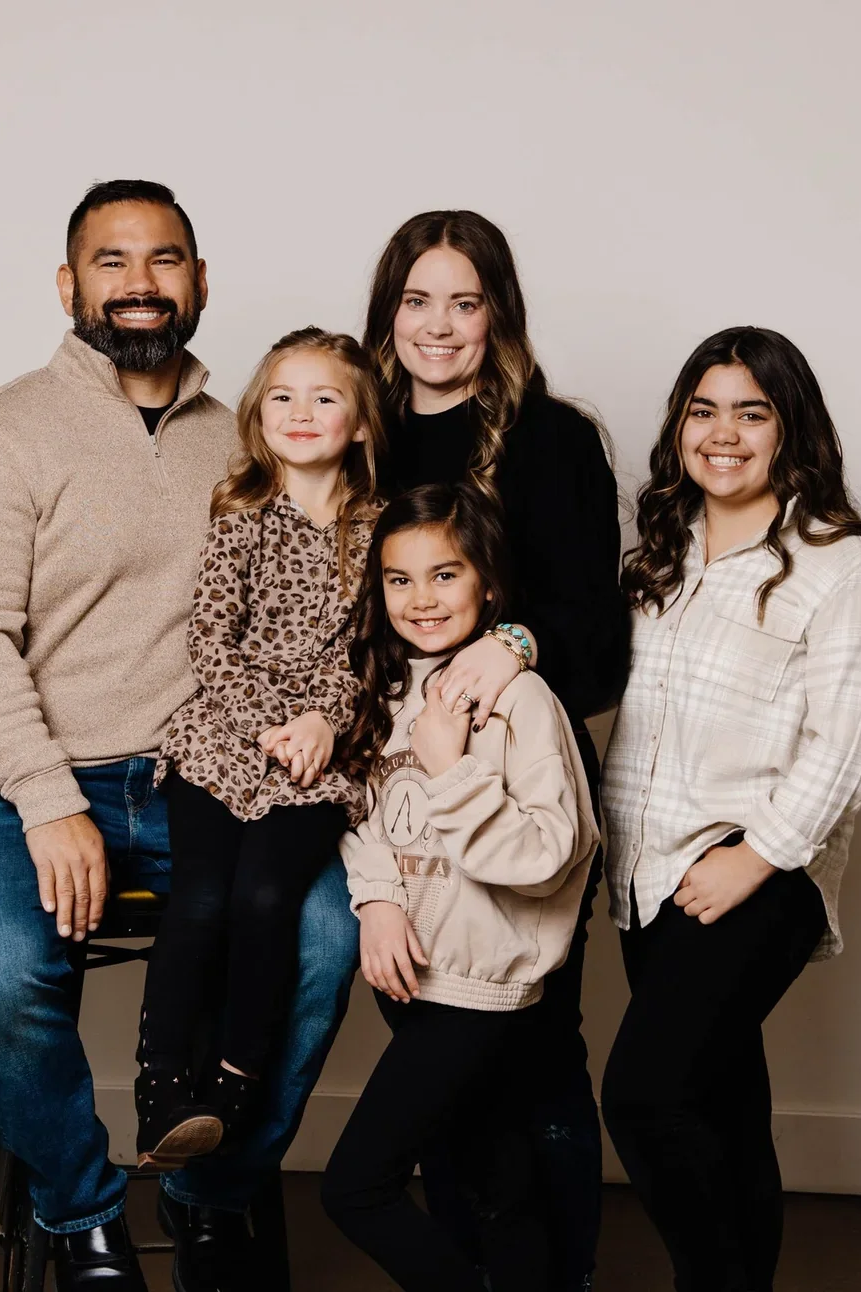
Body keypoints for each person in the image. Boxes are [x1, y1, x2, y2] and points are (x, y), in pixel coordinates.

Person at [0, 181, 361, 1292]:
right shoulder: (2, 431)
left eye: (164, 260)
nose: (140, 283)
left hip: (216, 777)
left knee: (320, 939)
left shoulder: (262, 440)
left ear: (200, 282)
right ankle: (81, 1210)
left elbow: (388, 575)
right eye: (112, 262)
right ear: (70, 286)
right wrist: (45, 795)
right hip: (36, 777)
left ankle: (208, 1191)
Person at [599, 326, 861, 1292]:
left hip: (754, 869)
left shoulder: (837, 564)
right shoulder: (658, 549)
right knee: (722, 1106)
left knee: (646, 1098)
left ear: (790, 430)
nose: (722, 433)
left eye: (751, 411)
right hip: (647, 872)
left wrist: (757, 857)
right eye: (703, 410)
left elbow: (846, 744)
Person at [363, 209, 628, 1287]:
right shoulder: (354, 433)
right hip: (396, 813)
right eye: (416, 300)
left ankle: (553, 1274)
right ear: (387, 314)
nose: (439, 325)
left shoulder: (554, 438)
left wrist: (511, 645)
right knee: (440, 1080)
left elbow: (602, 641)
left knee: (533, 1064)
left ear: (498, 314)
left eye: (464, 301)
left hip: (520, 802)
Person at [319, 482, 600, 1292]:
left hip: (477, 989)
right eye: (399, 580)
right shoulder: (387, 684)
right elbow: (360, 814)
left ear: (489, 583)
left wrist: (449, 770)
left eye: (446, 575)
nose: (422, 599)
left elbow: (549, 854)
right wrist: (374, 899)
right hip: (412, 974)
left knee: (355, 1188)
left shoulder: (521, 699)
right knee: (495, 1179)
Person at [136, 327, 384, 1170]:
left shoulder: (376, 528)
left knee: (268, 898)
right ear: (256, 415)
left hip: (320, 751)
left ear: (359, 424)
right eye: (282, 396)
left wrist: (320, 722)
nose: (301, 412)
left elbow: (367, 650)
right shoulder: (240, 507)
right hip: (223, 739)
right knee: (203, 897)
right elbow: (211, 637)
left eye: (326, 398)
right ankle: (162, 1084)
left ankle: (236, 1081)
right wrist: (262, 725)